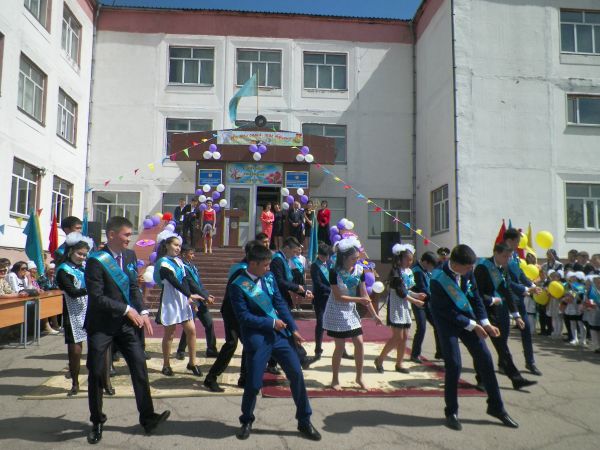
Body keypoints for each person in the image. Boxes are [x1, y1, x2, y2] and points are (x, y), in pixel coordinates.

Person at [84, 216, 169, 444]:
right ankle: (97, 421)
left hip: (126, 325)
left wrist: (143, 311)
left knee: (139, 366)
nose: (129, 239)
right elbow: (97, 297)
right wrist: (126, 309)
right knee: (96, 372)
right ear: (112, 234)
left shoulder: (130, 256)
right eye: (126, 235)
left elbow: (133, 287)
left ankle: (148, 417)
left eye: (130, 235)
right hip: (101, 325)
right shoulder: (95, 261)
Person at [230, 244, 321, 441]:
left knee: (296, 374)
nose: (268, 268)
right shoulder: (238, 284)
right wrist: (271, 323)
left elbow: (279, 303)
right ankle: (246, 420)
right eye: (265, 265)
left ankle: (304, 420)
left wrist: (293, 329)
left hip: (279, 335)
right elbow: (244, 317)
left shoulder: (269, 277)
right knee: (254, 382)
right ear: (253, 263)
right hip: (257, 336)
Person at [429, 244, 519, 431]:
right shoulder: (437, 279)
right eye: (468, 267)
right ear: (455, 264)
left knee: (485, 359)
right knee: (454, 364)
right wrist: (474, 325)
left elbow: (476, 297)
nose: (471, 269)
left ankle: (496, 407)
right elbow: (446, 311)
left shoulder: (469, 272)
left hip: (469, 320)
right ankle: (451, 411)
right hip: (447, 323)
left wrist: (485, 323)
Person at [56, 233, 114, 397]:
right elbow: (72, 292)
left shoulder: (86, 267)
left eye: (84, 254)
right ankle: (75, 383)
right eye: (79, 254)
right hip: (73, 310)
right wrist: (93, 288)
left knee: (103, 344)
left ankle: (106, 381)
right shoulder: (63, 270)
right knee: (75, 348)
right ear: (70, 251)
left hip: (93, 306)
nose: (82, 257)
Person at [474, 243, 537, 391]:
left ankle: (516, 379)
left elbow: (506, 290)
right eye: (505, 256)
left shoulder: (503, 267)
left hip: (494, 310)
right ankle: (481, 380)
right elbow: (476, 293)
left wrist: (516, 315)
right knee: (480, 348)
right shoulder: (482, 267)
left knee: (502, 346)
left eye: (509, 257)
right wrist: (491, 300)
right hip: (480, 311)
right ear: (496, 253)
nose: (507, 259)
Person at [323, 238, 382, 390]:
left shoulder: (359, 270)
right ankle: (335, 379)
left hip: (350, 310)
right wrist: (359, 300)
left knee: (360, 343)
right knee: (340, 346)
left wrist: (374, 315)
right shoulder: (334, 272)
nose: (356, 261)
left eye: (357, 258)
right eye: (353, 258)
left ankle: (359, 377)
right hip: (336, 310)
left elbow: (364, 294)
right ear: (344, 257)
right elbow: (338, 296)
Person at [203, 241, 258, 393]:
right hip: (232, 312)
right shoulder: (242, 272)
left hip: (241, 312)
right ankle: (211, 378)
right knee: (232, 344)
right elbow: (256, 296)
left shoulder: (250, 270)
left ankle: (244, 378)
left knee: (248, 343)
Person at [153, 232, 204, 377]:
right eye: (175, 245)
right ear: (167, 245)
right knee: (170, 333)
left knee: (191, 330)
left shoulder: (180, 262)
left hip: (183, 299)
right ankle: (166, 364)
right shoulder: (163, 263)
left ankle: (192, 363)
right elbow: (173, 281)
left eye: (179, 246)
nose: (178, 248)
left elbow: (185, 281)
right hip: (170, 299)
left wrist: (192, 297)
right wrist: (189, 294)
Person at [375, 244, 425, 374]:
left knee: (405, 337)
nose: (410, 262)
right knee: (397, 337)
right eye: (407, 259)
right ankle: (380, 359)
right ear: (400, 259)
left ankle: (399, 363)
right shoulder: (396, 272)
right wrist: (415, 300)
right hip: (396, 305)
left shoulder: (408, 272)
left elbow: (407, 290)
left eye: (411, 259)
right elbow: (401, 292)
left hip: (405, 305)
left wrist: (416, 295)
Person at [503, 228, 542, 376]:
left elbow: (520, 274)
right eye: (517, 241)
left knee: (526, 329)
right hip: (506, 298)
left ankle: (530, 362)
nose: (519, 244)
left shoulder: (515, 256)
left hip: (518, 298)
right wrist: (525, 289)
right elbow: (506, 281)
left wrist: (532, 285)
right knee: (504, 333)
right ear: (509, 240)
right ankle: (503, 362)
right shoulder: (501, 255)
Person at [175, 244, 218, 359]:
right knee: (190, 326)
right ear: (184, 254)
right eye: (191, 254)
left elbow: (198, 283)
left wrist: (206, 294)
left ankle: (211, 349)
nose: (193, 256)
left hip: (200, 300)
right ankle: (181, 350)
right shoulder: (182, 268)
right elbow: (192, 285)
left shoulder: (192, 266)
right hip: (191, 300)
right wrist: (205, 297)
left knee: (209, 323)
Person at [409, 251, 443, 362]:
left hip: (428, 301)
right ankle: (415, 354)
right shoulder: (417, 271)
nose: (431, 268)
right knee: (421, 328)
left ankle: (440, 352)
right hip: (418, 302)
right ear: (425, 262)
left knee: (437, 325)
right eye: (431, 265)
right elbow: (422, 288)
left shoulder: (425, 270)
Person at [270, 237, 313, 311]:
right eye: (294, 252)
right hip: (278, 299)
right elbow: (279, 281)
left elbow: (289, 280)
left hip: (283, 298)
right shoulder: (277, 260)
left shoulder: (283, 259)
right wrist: (297, 287)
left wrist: (304, 291)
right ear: (287, 248)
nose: (295, 255)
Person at [310, 242, 331, 360]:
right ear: (319, 255)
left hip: (332, 298)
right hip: (320, 298)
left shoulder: (329, 263)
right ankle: (318, 350)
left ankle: (342, 349)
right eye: (323, 256)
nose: (325, 258)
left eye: (327, 256)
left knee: (338, 323)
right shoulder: (315, 266)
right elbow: (318, 284)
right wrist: (332, 290)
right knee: (321, 323)